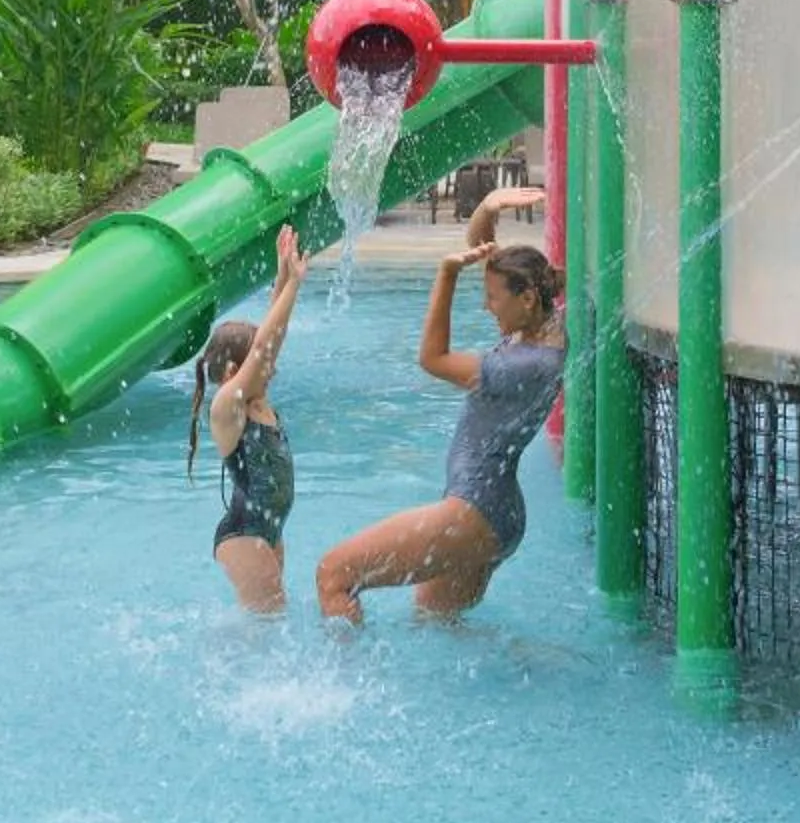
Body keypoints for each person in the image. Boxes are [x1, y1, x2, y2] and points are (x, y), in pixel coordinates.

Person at [315, 185, 560, 623]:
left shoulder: (522, 365)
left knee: (335, 574)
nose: (487, 308)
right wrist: (486, 208)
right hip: (497, 511)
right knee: (434, 622)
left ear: (526, 298)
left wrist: (446, 274)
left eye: (492, 300)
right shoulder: (542, 327)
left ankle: (342, 686)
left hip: (474, 509)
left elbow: (432, 358)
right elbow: (495, 263)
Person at [190, 225, 309, 614]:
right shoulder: (228, 406)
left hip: (269, 529)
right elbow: (263, 349)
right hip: (243, 533)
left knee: (269, 626)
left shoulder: (259, 400)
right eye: (259, 366)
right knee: (267, 625)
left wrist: (283, 276)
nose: (271, 367)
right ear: (230, 373)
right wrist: (294, 286)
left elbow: (270, 341)